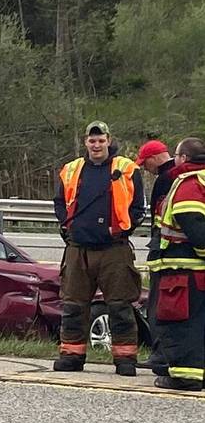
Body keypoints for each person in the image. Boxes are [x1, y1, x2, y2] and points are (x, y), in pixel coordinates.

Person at [52, 121, 145, 376]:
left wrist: (123, 230)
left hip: (114, 249)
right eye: (92, 141)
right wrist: (67, 226)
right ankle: (71, 355)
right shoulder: (71, 169)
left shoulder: (126, 168)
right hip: (78, 248)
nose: (96, 145)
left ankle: (125, 359)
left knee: (120, 306)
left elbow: (138, 207)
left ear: (108, 141)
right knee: (73, 305)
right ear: (85, 142)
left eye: (101, 140)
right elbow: (59, 202)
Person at [148, 137, 205, 390]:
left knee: (181, 325)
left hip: (184, 271)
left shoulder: (188, 184)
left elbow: (192, 223)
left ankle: (186, 376)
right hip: (194, 270)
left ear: (183, 158)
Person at [135, 139, 176, 374]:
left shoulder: (164, 179)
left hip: (163, 251)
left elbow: (159, 221)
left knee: (158, 306)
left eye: (145, 163)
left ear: (153, 158)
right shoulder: (185, 175)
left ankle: (160, 355)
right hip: (178, 253)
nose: (145, 169)